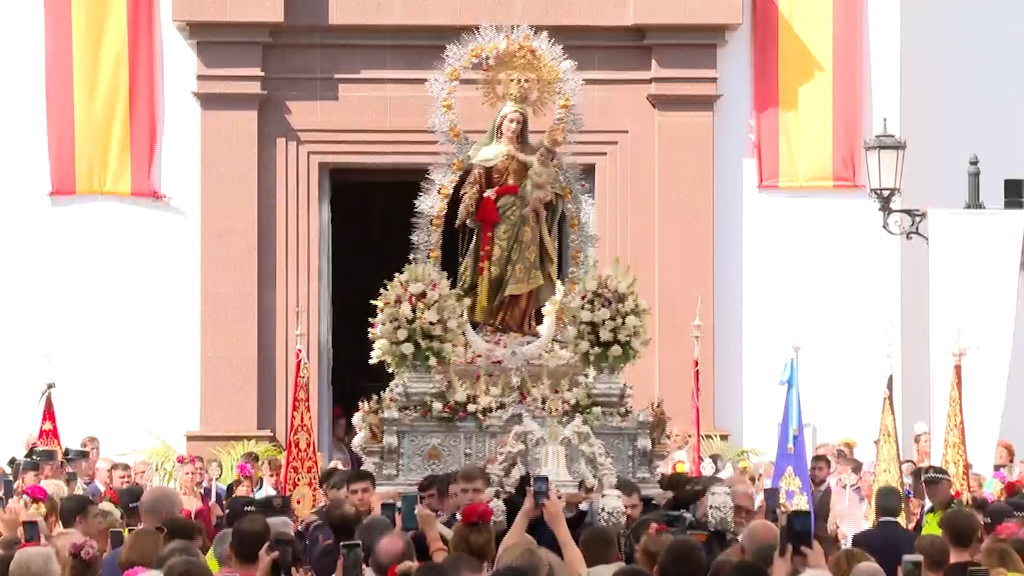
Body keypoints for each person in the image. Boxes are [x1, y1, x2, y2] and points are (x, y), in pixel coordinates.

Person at [454, 94, 566, 335]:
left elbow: (545, 182)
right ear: (500, 123)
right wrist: (470, 200)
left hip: (525, 220)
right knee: (493, 269)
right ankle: (490, 323)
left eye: (519, 123)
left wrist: (547, 196)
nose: (514, 126)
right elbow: (475, 183)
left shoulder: (529, 153)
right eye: (510, 121)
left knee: (524, 269)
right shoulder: (486, 153)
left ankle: (518, 326)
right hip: (496, 218)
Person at [851, 486, 917, 576]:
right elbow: (913, 573)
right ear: (900, 509)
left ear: (876, 508)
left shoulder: (860, 540)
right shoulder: (912, 539)